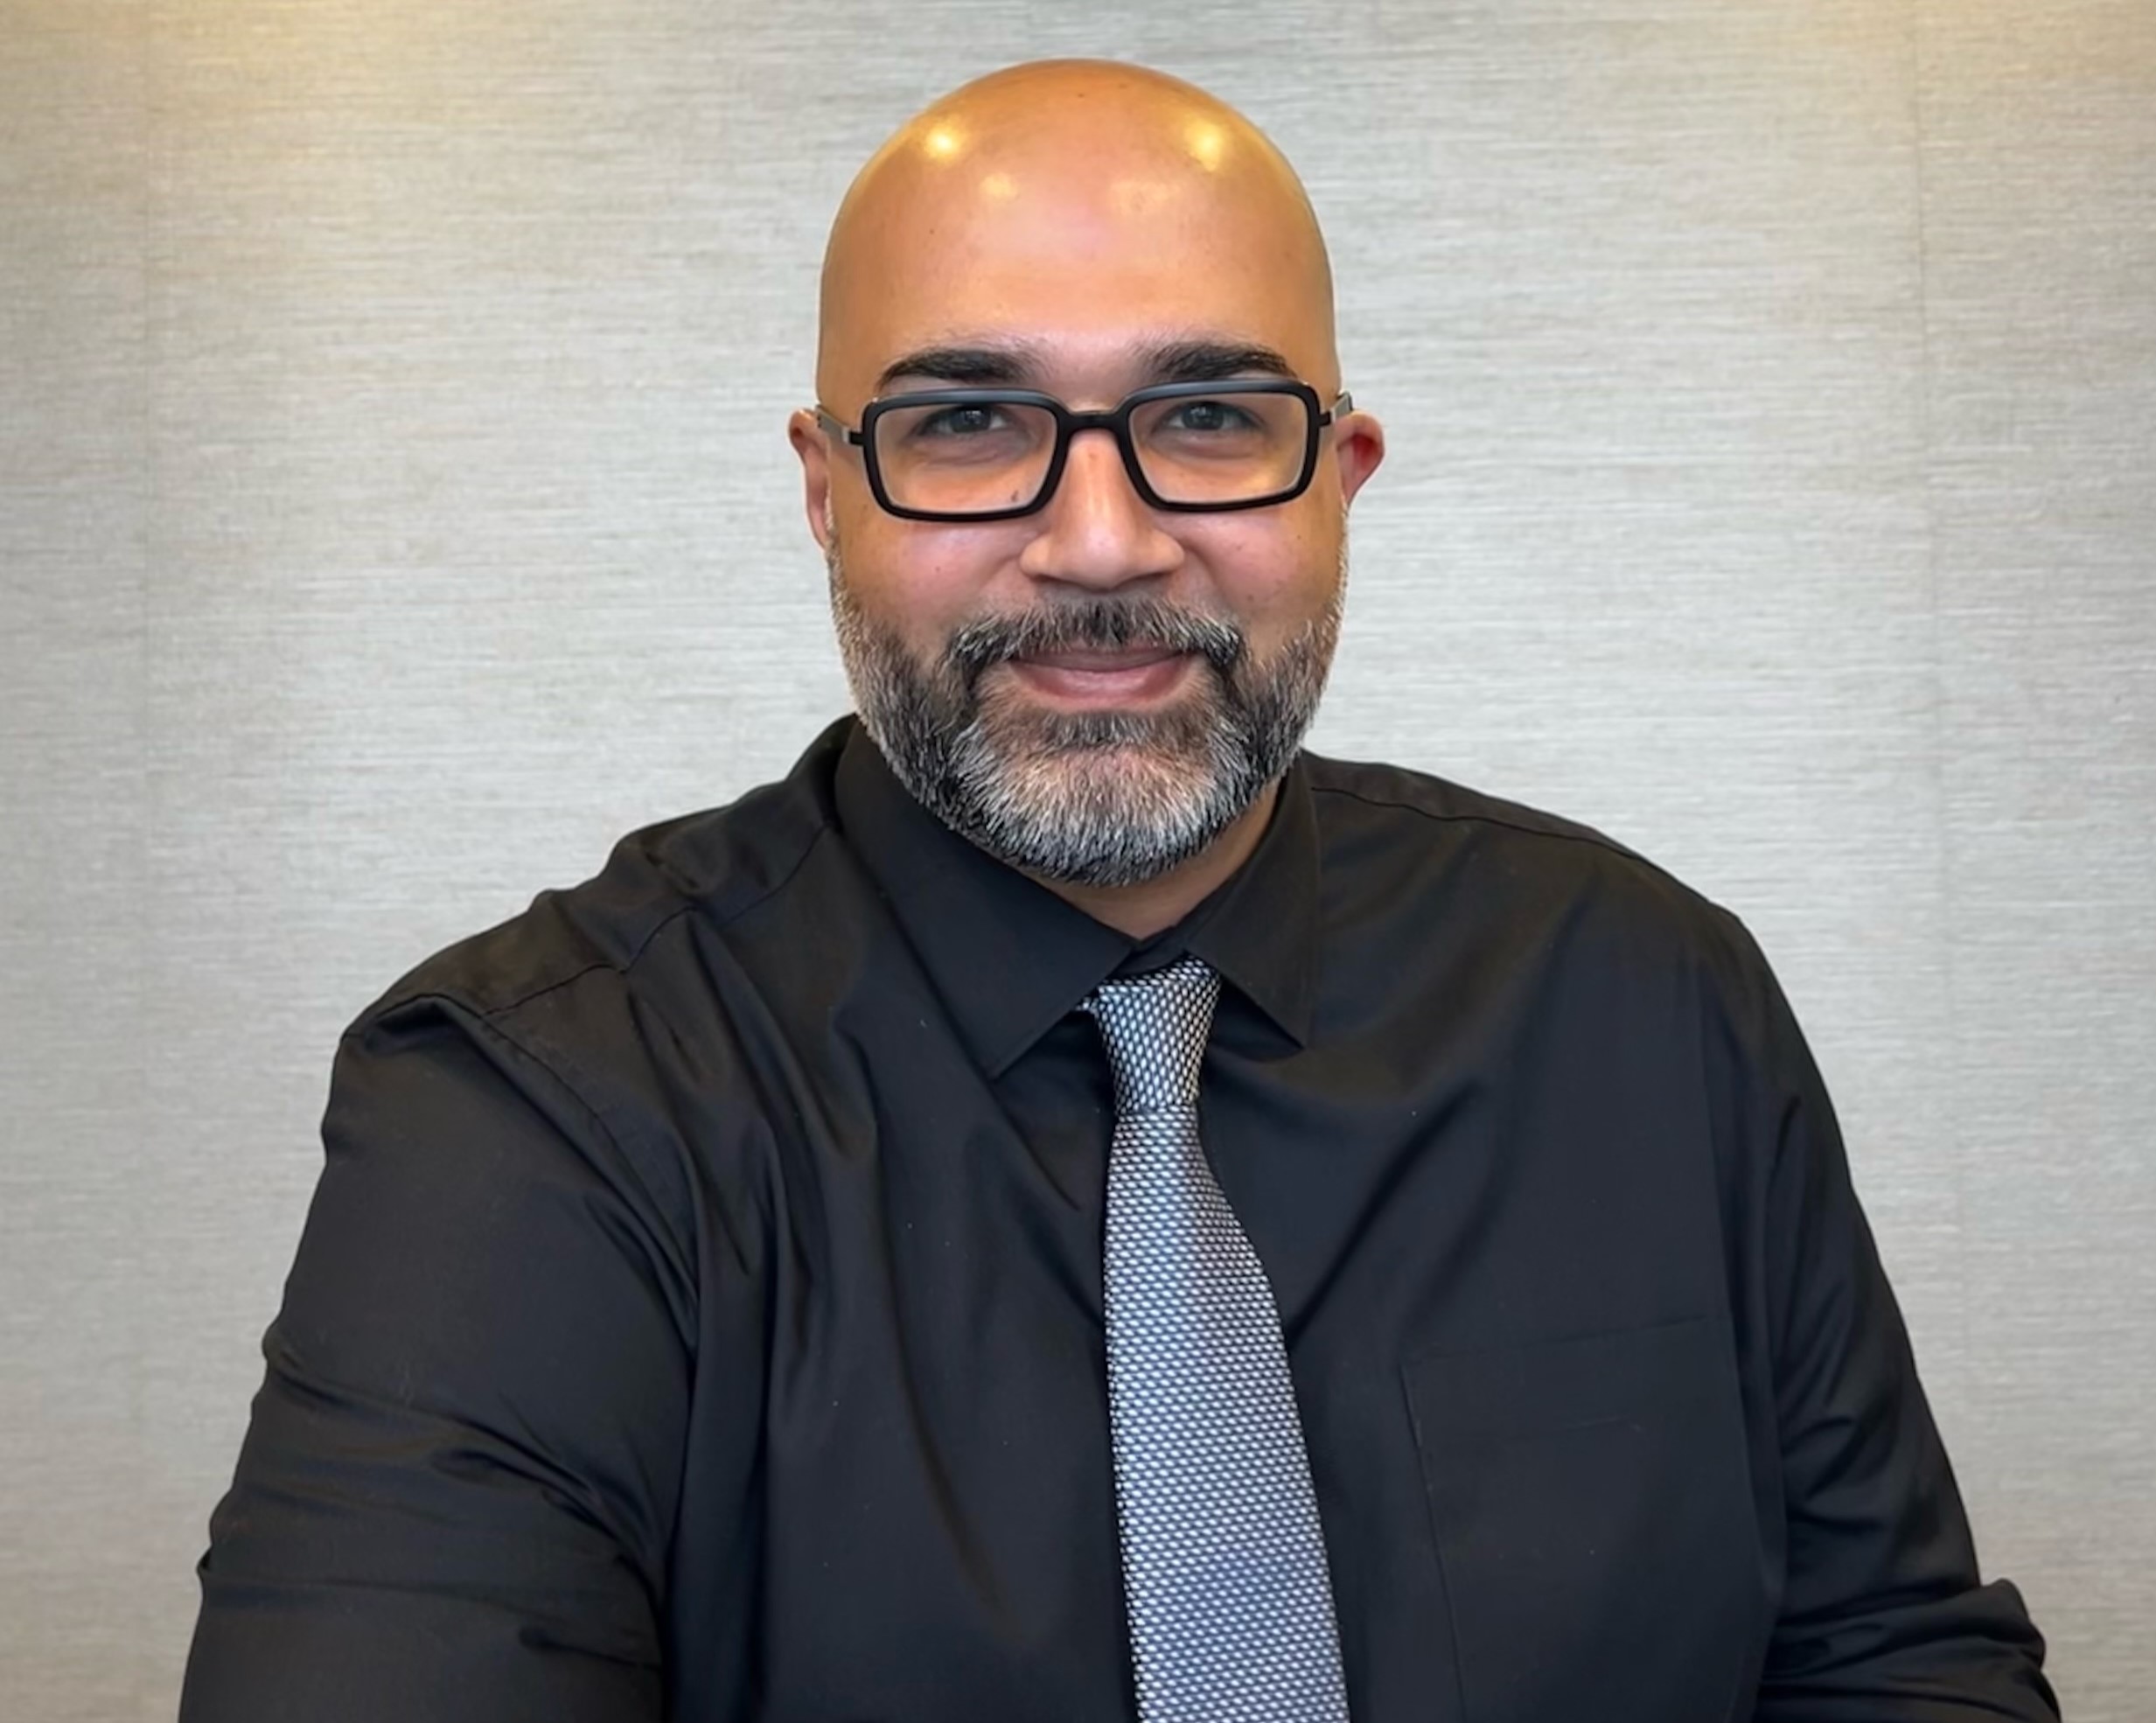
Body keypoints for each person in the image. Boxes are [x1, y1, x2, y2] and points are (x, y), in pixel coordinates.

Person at [180, 59, 2057, 1723]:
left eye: (1215, 415)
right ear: (829, 494)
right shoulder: (533, 1120)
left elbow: (1896, 1661)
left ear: (1344, 478)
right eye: (970, 424)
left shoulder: (1651, 998)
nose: (1100, 540)